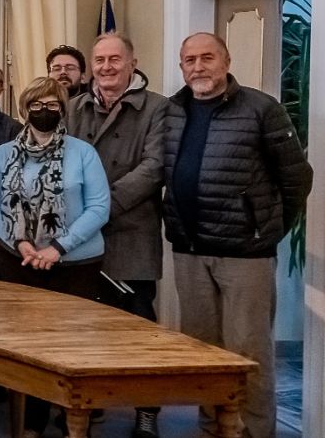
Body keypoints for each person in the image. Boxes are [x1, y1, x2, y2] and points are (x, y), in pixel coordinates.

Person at [164, 32, 312, 438]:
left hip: (245, 256)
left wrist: (266, 230)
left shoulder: (262, 109)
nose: (198, 66)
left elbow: (297, 178)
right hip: (189, 252)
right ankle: (213, 427)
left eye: (207, 57)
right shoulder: (173, 110)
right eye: (189, 59)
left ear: (226, 61)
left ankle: (254, 431)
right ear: (182, 67)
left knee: (248, 352)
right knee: (204, 353)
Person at [0, 77, 111, 438]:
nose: (44, 111)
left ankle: (74, 423)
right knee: (29, 349)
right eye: (36, 105)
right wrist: (20, 241)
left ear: (63, 110)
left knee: (73, 347)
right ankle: (31, 422)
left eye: (52, 105)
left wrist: (58, 247)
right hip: (19, 261)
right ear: (24, 110)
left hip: (76, 264)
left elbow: (100, 208)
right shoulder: (4, 153)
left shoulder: (83, 152)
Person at [65, 33, 169, 438]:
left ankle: (147, 410)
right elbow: (63, 158)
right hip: (80, 242)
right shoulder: (75, 107)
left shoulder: (159, 108)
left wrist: (98, 209)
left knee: (140, 330)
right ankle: (87, 407)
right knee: (83, 329)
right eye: (99, 60)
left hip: (131, 234)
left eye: (114, 59)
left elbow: (154, 166)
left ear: (132, 62)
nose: (106, 67)